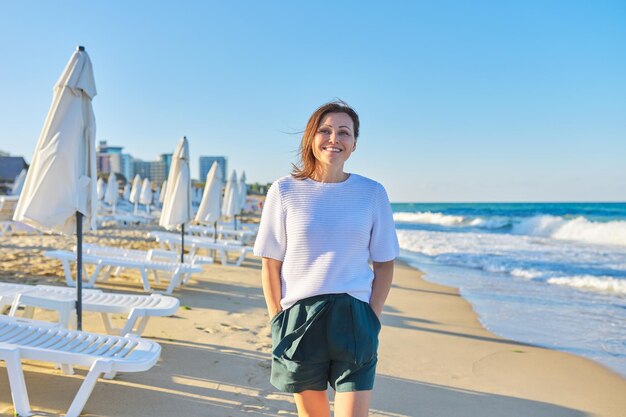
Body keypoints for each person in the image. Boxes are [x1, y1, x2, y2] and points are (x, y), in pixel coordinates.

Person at [253, 100, 399, 417]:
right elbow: (270, 263)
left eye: (344, 132)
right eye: (325, 130)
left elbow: (385, 263)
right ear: (311, 138)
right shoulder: (284, 190)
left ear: (354, 143)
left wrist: (372, 317)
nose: (334, 138)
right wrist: (277, 318)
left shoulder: (372, 193)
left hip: (355, 317)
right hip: (300, 318)